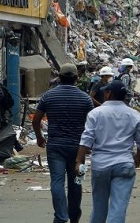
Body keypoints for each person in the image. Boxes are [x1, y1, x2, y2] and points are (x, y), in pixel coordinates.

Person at [76, 80, 140, 223]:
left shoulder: (96, 113)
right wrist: (137, 158)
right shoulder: (134, 115)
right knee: (119, 207)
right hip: (124, 163)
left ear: (108, 94)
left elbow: (87, 138)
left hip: (101, 164)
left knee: (99, 206)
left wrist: (78, 160)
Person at [33, 63, 94, 223]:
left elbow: (37, 119)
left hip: (55, 146)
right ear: (76, 78)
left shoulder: (48, 96)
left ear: (59, 77)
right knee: (77, 182)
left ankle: (60, 216)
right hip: (78, 148)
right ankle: (74, 216)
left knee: (57, 181)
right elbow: (93, 124)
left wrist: (39, 137)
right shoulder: (85, 98)